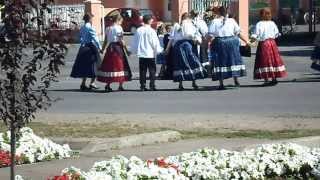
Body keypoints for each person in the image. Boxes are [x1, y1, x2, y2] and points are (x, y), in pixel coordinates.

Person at [208, 6, 248, 90]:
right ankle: (236, 80)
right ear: (226, 12)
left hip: (220, 43)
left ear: (218, 12)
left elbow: (211, 36)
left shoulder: (214, 21)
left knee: (220, 62)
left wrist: (207, 44)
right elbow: (238, 33)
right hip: (232, 42)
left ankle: (221, 83)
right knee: (233, 60)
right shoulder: (232, 20)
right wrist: (247, 41)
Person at [165, 12, 207, 90]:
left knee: (180, 64)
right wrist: (200, 43)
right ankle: (194, 82)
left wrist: (167, 49)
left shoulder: (177, 26)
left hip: (178, 47)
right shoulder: (190, 24)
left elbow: (171, 39)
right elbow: (193, 36)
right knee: (192, 63)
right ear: (188, 18)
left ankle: (181, 84)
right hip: (188, 45)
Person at [251, 8, 287, 86]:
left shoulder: (259, 24)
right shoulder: (272, 23)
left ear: (261, 15)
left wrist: (249, 42)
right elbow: (277, 34)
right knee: (273, 60)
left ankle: (266, 79)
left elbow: (255, 35)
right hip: (272, 43)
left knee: (264, 61)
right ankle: (274, 78)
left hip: (264, 44)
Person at [97, 14, 132, 92]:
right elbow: (121, 40)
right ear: (118, 20)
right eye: (121, 21)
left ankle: (108, 84)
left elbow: (106, 41)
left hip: (110, 48)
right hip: (117, 47)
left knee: (109, 66)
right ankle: (120, 85)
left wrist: (103, 49)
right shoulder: (119, 28)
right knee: (120, 65)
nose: (121, 23)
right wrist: (127, 50)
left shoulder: (108, 28)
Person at [131, 15, 163, 91]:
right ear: (149, 21)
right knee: (152, 70)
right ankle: (152, 85)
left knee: (142, 70)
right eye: (151, 20)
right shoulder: (152, 31)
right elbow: (154, 42)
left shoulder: (139, 30)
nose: (152, 21)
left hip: (142, 53)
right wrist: (159, 50)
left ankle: (142, 85)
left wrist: (133, 50)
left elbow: (135, 42)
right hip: (150, 53)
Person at [70, 13, 101, 91]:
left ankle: (83, 84)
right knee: (95, 64)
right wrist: (100, 47)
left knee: (85, 66)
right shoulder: (90, 27)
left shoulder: (83, 27)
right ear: (90, 19)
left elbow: (79, 37)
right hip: (90, 47)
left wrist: (83, 42)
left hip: (83, 47)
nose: (92, 20)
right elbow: (95, 38)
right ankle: (92, 83)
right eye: (92, 19)